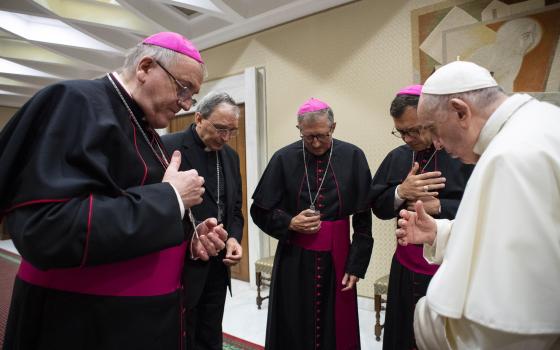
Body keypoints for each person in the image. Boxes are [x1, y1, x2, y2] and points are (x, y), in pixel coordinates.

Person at [0, 32, 229, 350]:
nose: (187, 103)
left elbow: (130, 218)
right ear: (146, 67)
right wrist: (171, 198)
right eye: (184, 88)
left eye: (192, 94)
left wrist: (188, 239)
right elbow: (43, 229)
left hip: (141, 320)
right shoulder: (73, 102)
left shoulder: (147, 129)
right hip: (82, 322)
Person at [396, 61, 560, 349]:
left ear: (461, 111)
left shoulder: (511, 155)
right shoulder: (543, 121)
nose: (435, 143)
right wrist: (440, 233)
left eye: (433, 129)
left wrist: (428, 323)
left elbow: (514, 321)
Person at [250, 98, 373, 350]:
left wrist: (356, 265)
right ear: (299, 130)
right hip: (294, 258)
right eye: (308, 138)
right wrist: (289, 222)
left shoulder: (353, 156)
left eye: (321, 136)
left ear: (333, 127)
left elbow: (362, 219)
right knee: (293, 324)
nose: (315, 143)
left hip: (338, 258)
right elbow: (259, 211)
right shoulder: (283, 158)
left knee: (336, 328)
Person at [370, 84, 472, 349]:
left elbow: (481, 208)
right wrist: (400, 191)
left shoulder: (461, 154)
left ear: (431, 120)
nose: (407, 139)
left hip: (449, 268)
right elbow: (378, 207)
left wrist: (439, 207)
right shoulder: (397, 157)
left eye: (413, 130)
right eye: (401, 132)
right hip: (405, 266)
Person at [162, 92, 244, 350]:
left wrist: (233, 238)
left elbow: (236, 209)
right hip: (181, 264)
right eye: (220, 128)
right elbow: (156, 209)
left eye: (232, 131)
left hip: (218, 266)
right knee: (182, 335)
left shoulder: (230, 156)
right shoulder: (167, 148)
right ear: (199, 118)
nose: (226, 137)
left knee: (211, 332)